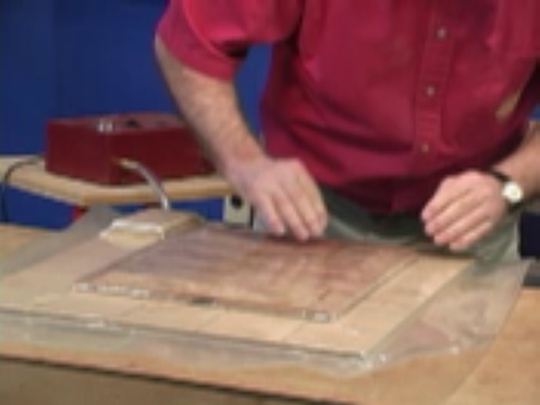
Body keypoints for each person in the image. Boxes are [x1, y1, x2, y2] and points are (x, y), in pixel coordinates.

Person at [154, 0, 540, 262]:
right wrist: (244, 162)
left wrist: (507, 185)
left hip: (475, 227)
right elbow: (187, 45)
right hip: (313, 219)